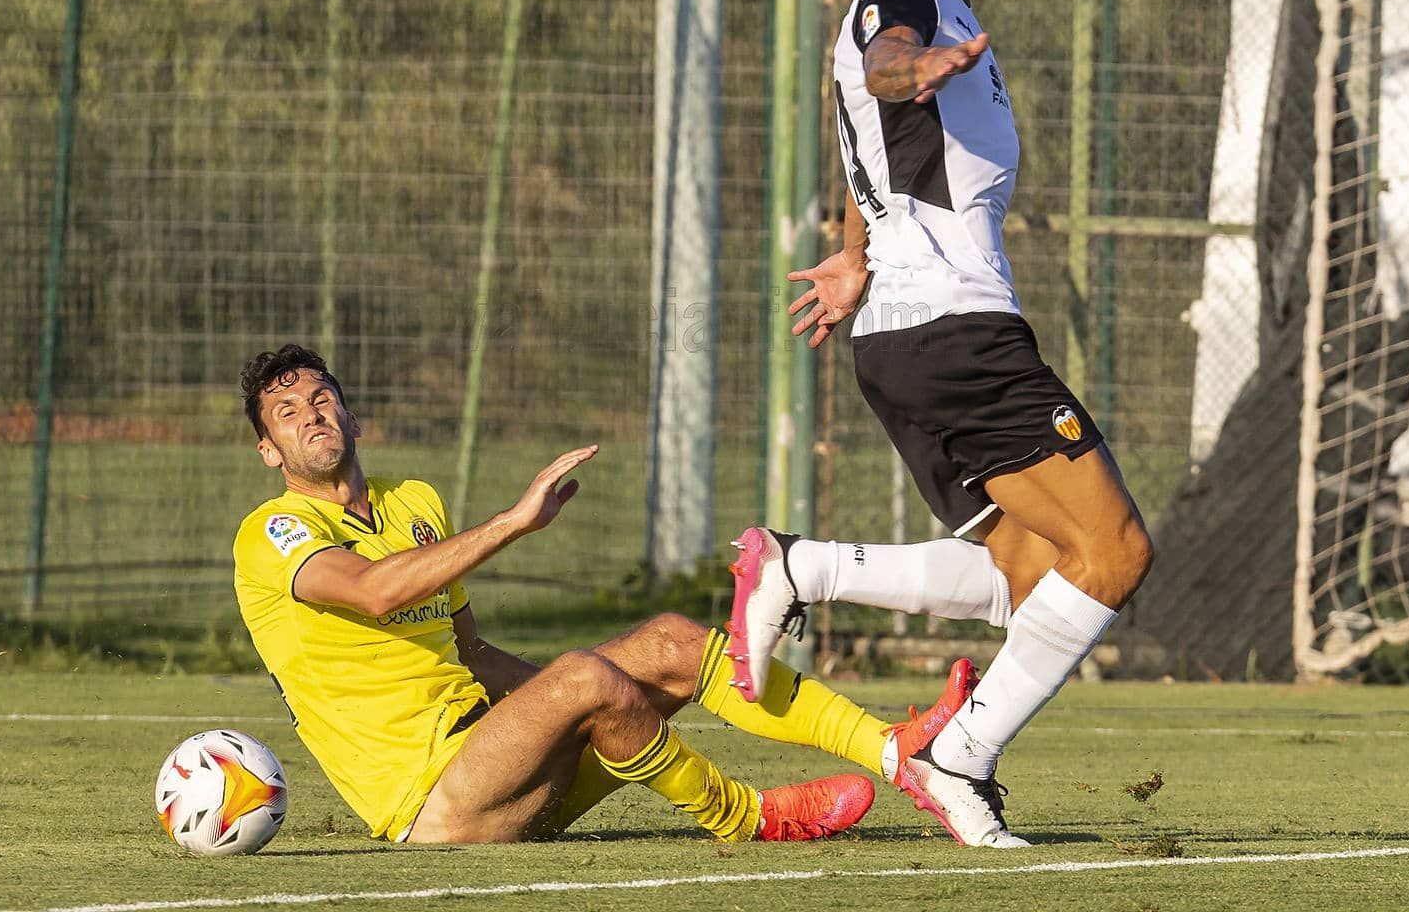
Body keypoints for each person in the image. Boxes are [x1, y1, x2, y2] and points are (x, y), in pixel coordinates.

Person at [724, 0, 1154, 849]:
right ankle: (953, 755)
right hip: (959, 334)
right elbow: (883, 69)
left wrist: (857, 253)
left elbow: (874, 140)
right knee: (1116, 551)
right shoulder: (904, 1)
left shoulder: (948, 15)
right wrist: (915, 68)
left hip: (907, 336)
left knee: (1029, 575)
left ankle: (802, 566)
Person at [232, 343, 979, 845]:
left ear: (351, 413)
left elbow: (470, 651)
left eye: (321, 398)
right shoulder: (274, 531)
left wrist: (599, 694)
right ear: (270, 451)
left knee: (671, 642)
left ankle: (895, 751)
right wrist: (514, 527)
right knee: (588, 677)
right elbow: (371, 593)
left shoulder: (415, 502)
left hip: (498, 753)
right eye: (287, 415)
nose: (312, 417)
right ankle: (748, 818)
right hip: (432, 802)